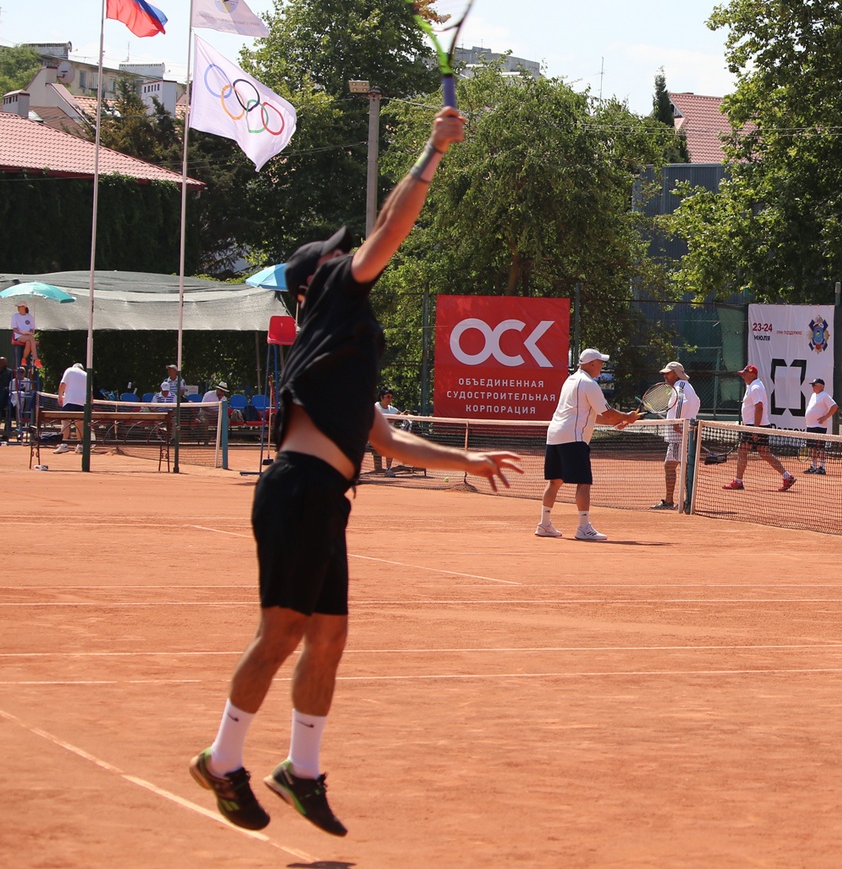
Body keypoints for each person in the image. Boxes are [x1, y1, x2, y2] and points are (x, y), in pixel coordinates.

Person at [189, 106, 523, 837]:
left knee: (328, 636)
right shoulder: (336, 296)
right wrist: (432, 151)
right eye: (339, 257)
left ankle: (301, 771)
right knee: (282, 632)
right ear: (317, 281)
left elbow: (387, 439)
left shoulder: (335, 349)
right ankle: (221, 759)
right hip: (298, 492)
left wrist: (465, 460)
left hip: (323, 498)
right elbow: (391, 230)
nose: (353, 258)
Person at [536, 348, 638, 540]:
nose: (602, 366)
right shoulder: (589, 384)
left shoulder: (570, 380)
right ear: (591, 364)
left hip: (555, 436)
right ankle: (584, 528)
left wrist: (616, 421)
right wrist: (627, 416)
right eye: (600, 362)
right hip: (573, 438)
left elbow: (590, 415)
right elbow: (608, 412)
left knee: (555, 481)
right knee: (583, 482)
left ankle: (544, 524)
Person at [723, 364, 795, 492]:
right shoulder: (753, 386)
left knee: (742, 451)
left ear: (752, 374)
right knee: (765, 453)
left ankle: (738, 481)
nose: (743, 376)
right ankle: (787, 476)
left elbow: (759, 408)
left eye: (745, 374)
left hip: (755, 426)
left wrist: (755, 429)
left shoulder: (756, 387)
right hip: (756, 425)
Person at [653, 360, 699, 510]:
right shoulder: (689, 387)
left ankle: (673, 501)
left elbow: (681, 402)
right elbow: (697, 403)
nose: (665, 376)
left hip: (678, 435)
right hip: (684, 432)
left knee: (672, 466)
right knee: (683, 466)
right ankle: (685, 500)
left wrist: (677, 423)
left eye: (668, 373)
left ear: (676, 374)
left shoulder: (680, 386)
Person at [802, 377, 837, 475]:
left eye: (814, 385)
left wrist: (825, 417)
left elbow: (834, 407)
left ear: (821, 386)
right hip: (810, 426)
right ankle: (813, 466)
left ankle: (822, 467)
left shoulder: (825, 395)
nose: (813, 387)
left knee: (820, 448)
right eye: (812, 385)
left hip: (819, 427)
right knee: (812, 448)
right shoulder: (813, 395)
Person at [55, 361, 88, 453]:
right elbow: (90, 391)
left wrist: (60, 396)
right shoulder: (86, 374)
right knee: (80, 424)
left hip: (70, 401)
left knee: (65, 423)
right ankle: (80, 446)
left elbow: (62, 384)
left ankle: (64, 444)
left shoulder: (69, 370)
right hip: (82, 403)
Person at [370, 388, 402, 476]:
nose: (390, 399)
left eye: (391, 397)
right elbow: (382, 421)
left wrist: (404, 415)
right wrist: (396, 417)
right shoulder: (375, 407)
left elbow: (401, 414)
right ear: (381, 397)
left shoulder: (392, 409)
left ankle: (388, 469)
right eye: (387, 397)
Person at [11, 300, 38, 369]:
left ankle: (23, 359)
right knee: (31, 338)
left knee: (29, 342)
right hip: (19, 336)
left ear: (24, 307)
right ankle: (36, 359)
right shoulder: (15, 316)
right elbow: (14, 328)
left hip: (28, 336)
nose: (18, 308)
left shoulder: (30, 316)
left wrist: (29, 333)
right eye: (18, 307)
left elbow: (32, 328)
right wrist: (21, 333)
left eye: (19, 306)